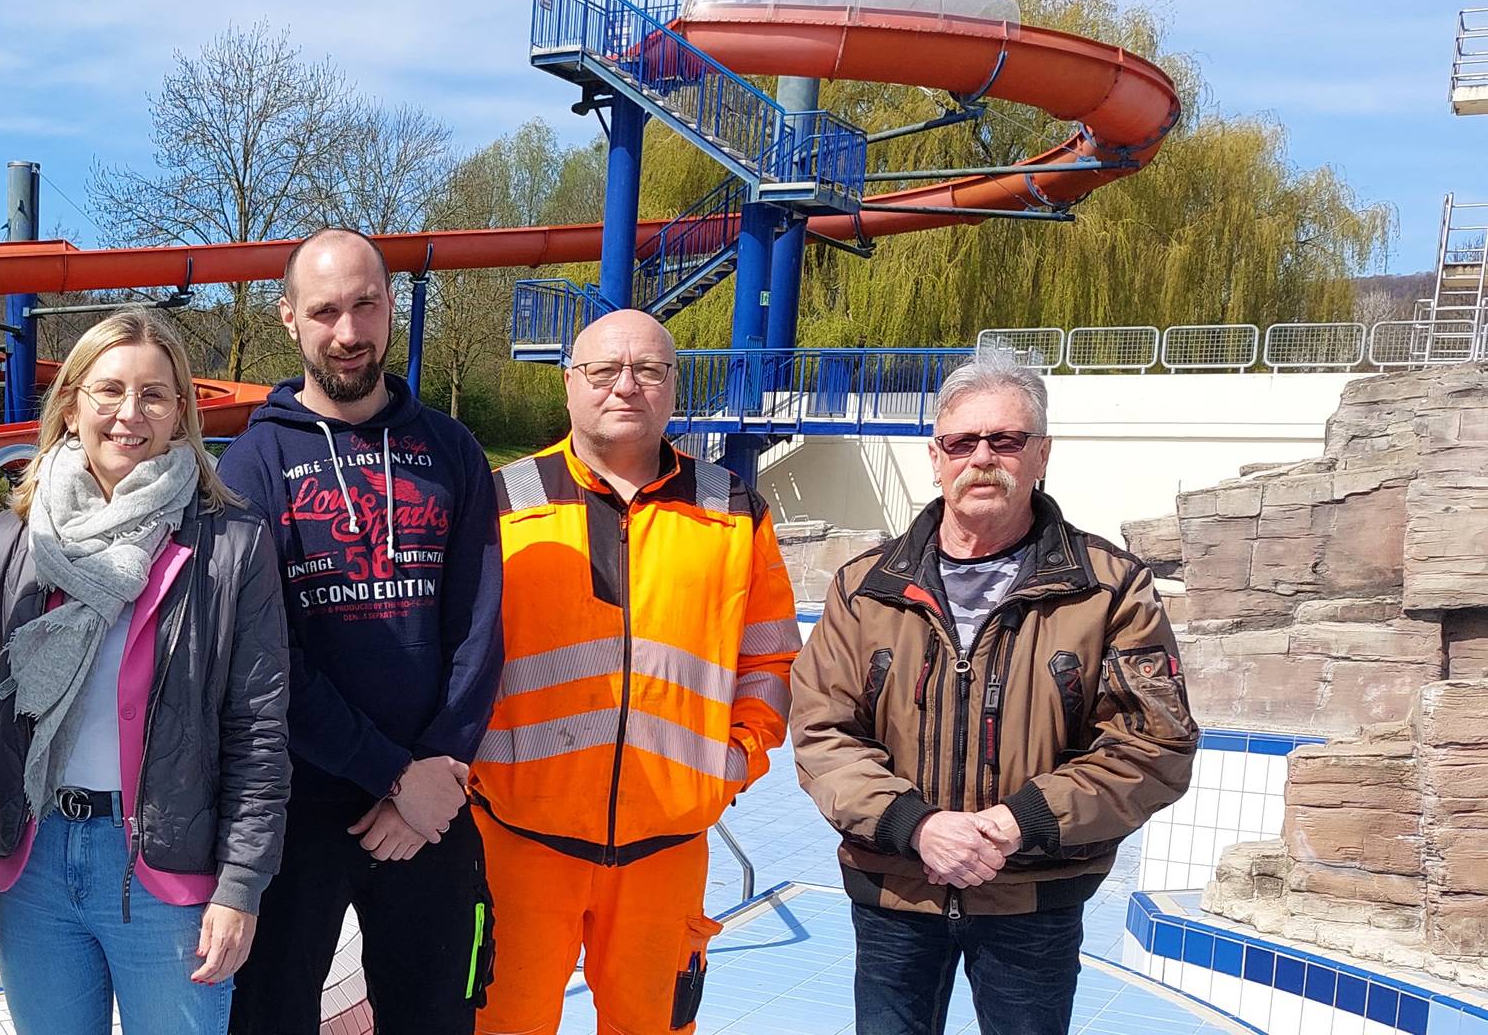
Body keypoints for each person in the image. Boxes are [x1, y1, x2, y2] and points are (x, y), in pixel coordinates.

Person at [792, 348, 1197, 1035]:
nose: (982, 456)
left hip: (1032, 898)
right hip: (896, 892)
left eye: (1005, 439)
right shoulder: (865, 586)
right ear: (936, 456)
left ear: (1040, 455)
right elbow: (821, 732)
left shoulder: (1108, 587)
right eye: (962, 441)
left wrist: (1020, 824)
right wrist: (916, 826)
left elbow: (1154, 744)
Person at [0, 308, 291, 1035]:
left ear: (180, 415)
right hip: (33, 862)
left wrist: (240, 889)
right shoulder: (18, 540)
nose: (130, 413)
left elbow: (257, 734)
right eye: (109, 391)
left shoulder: (231, 545)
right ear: (72, 404)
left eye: (155, 395)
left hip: (164, 872)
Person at [470, 309, 799, 1035]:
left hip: (666, 850)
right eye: (603, 370)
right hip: (521, 843)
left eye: (648, 370)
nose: (626, 386)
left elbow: (770, 657)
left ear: (673, 386)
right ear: (569, 386)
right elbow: (453, 659)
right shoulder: (500, 503)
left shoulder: (732, 511)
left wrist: (740, 756)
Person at [221, 228, 506, 1035]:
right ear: (288, 320)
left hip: (433, 800)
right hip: (295, 806)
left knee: (436, 1016)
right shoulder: (253, 465)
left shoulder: (450, 449)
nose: (348, 332)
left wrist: (436, 776)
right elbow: (265, 658)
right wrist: (391, 775)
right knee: (269, 1017)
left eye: (365, 304)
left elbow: (479, 627)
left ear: (390, 306)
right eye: (325, 312)